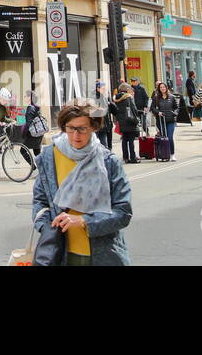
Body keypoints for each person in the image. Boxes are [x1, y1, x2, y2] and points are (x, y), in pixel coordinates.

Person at [30, 99, 132, 266]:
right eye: (71, 128)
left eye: (82, 129)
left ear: (93, 127)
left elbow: (123, 211)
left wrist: (84, 221)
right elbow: (40, 202)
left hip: (103, 255)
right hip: (60, 255)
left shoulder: (108, 162)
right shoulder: (49, 157)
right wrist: (49, 228)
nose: (76, 136)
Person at [150, 82, 179, 161]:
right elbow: (152, 108)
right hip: (160, 121)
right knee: (164, 138)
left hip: (170, 120)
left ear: (166, 88)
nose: (163, 88)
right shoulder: (156, 98)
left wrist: (175, 113)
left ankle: (172, 154)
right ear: (159, 89)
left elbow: (176, 107)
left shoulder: (172, 97)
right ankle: (164, 154)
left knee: (169, 137)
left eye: (164, 87)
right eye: (161, 87)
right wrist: (158, 112)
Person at [114, 86, 141, 164]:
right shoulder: (129, 97)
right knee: (131, 141)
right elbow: (133, 109)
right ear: (126, 90)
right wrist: (138, 115)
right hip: (130, 121)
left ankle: (125, 157)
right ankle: (133, 157)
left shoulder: (117, 99)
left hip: (122, 122)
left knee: (124, 140)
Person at [94, 81, 114, 150]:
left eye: (105, 88)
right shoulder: (94, 98)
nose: (104, 90)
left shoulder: (105, 97)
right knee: (96, 145)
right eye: (103, 88)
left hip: (104, 125)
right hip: (97, 125)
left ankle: (104, 159)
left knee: (104, 145)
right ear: (98, 88)